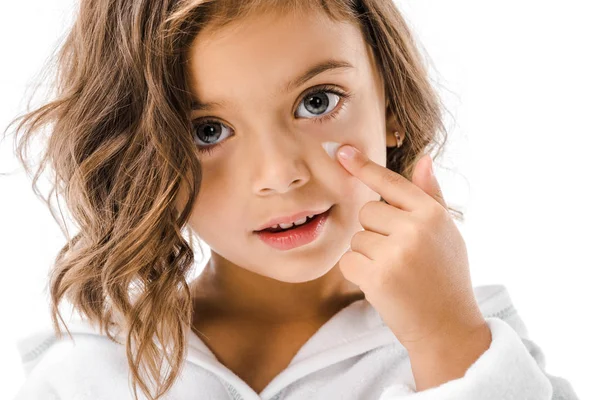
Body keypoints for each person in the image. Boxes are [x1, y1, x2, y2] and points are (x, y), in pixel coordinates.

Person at [7, 0, 579, 399]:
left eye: (317, 101)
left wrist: (444, 341)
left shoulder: (473, 339)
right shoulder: (91, 368)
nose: (279, 175)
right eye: (207, 131)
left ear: (392, 106)